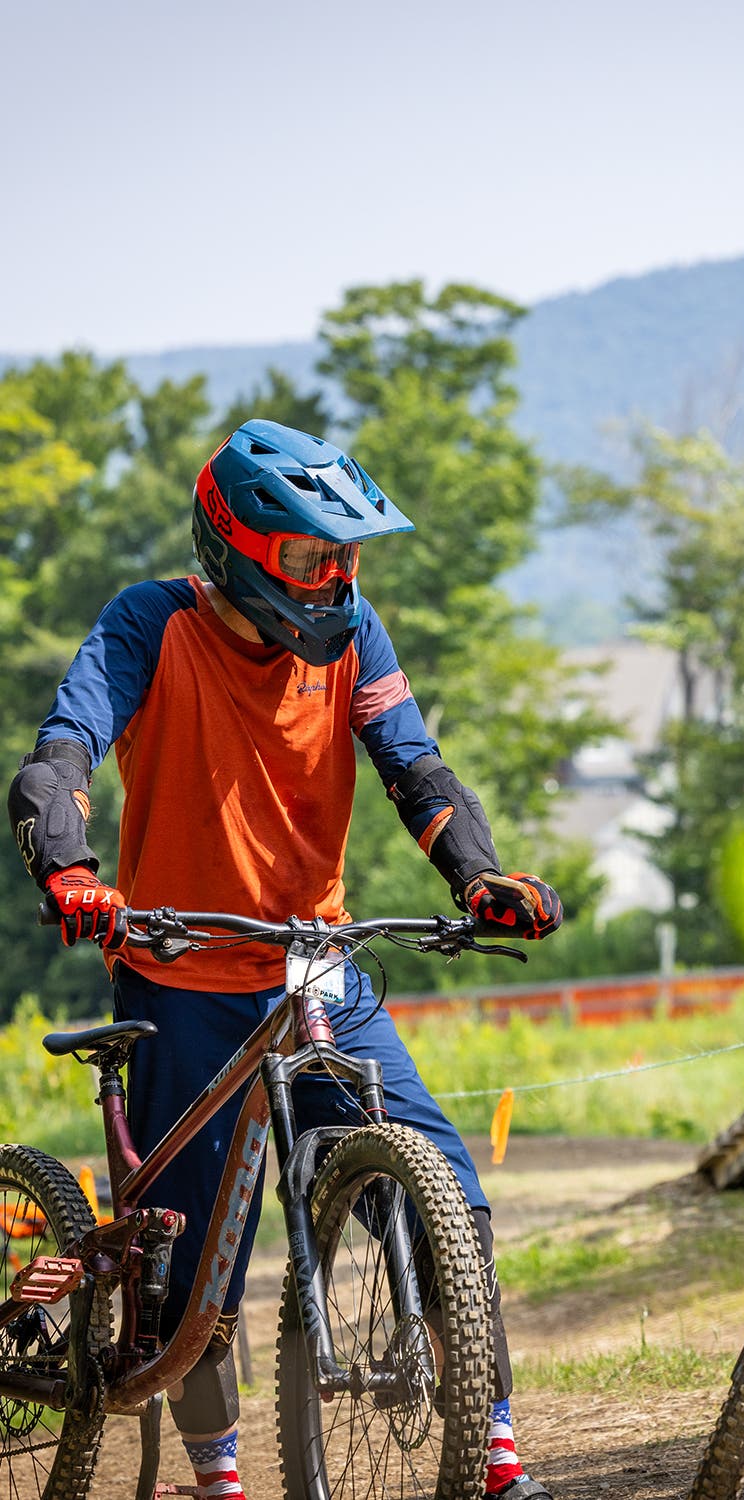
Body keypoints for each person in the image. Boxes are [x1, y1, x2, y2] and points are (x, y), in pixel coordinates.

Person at [6, 420, 560, 1500]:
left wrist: (478, 876)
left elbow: (415, 769)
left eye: (348, 557)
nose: (338, 579)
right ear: (242, 546)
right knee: (183, 1263)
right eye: (315, 557)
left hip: (318, 972)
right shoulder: (149, 624)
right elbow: (63, 749)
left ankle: (487, 1438)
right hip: (180, 977)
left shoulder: (355, 636)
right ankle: (219, 1471)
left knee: (443, 1186)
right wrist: (69, 870)